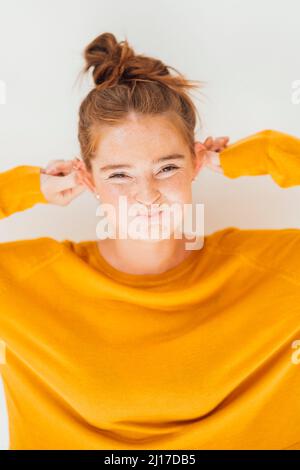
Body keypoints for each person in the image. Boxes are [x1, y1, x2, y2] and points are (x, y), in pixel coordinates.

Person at [0, 32, 299, 450]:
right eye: (119, 174)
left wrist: (263, 153)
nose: (148, 195)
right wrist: (26, 187)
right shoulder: (24, 282)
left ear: (196, 163)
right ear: (87, 178)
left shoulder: (279, 269)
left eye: (167, 168)